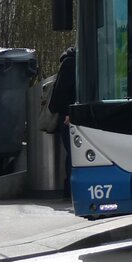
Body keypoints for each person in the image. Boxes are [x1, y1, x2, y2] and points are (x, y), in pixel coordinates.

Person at [47, 46, 76, 198]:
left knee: (73, 154)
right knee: (74, 154)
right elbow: (61, 94)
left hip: (71, 115)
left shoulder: (71, 62)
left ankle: (70, 189)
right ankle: (71, 189)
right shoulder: (71, 63)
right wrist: (67, 112)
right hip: (69, 117)